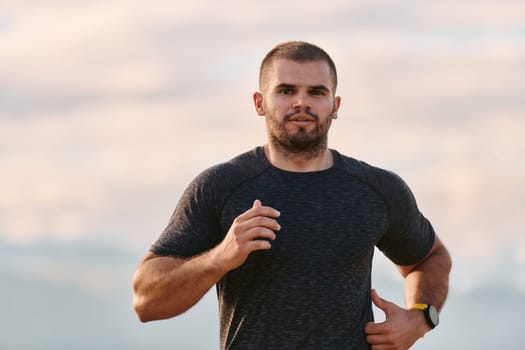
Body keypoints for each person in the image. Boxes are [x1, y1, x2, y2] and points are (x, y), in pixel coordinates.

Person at [132, 41, 452, 350]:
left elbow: (430, 258)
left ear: (335, 106)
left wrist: (421, 318)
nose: (302, 102)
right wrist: (220, 257)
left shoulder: (376, 189)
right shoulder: (221, 186)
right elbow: (146, 302)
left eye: (317, 92)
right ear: (259, 103)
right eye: (286, 91)